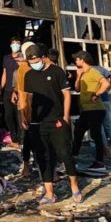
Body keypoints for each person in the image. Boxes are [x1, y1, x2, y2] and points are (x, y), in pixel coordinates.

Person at [21, 44, 83, 205]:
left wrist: (66, 116)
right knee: (43, 157)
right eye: (30, 61)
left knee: (64, 154)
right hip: (37, 123)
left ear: (43, 57)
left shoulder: (57, 72)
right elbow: (27, 99)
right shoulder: (28, 75)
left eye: (35, 59)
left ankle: (74, 187)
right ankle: (50, 193)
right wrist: (25, 117)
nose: (34, 63)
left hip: (56, 120)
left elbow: (67, 94)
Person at [72, 50, 110, 172]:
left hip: (96, 109)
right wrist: (78, 76)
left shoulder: (93, 72)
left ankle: (100, 162)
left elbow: (106, 83)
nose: (75, 61)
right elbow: (77, 89)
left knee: (95, 134)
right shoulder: (83, 73)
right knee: (78, 132)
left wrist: (97, 94)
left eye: (77, 59)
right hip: (86, 110)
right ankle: (73, 158)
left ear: (82, 60)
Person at [92, 64, 111, 159]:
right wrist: (108, 88)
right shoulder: (101, 69)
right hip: (106, 100)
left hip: (96, 100)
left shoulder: (89, 70)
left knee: (100, 127)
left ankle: (106, 152)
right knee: (109, 126)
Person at [14, 41, 35, 177]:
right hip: (29, 108)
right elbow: (21, 91)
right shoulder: (23, 69)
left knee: (28, 138)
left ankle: (27, 167)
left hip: (30, 108)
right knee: (29, 138)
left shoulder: (24, 68)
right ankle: (27, 167)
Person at [0, 36, 24, 149]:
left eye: (17, 43)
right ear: (10, 45)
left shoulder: (23, 58)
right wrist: (0, 87)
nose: (15, 45)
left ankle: (21, 140)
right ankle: (14, 139)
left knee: (19, 116)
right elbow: (4, 73)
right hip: (8, 90)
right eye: (13, 43)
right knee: (8, 116)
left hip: (19, 90)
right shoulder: (6, 58)